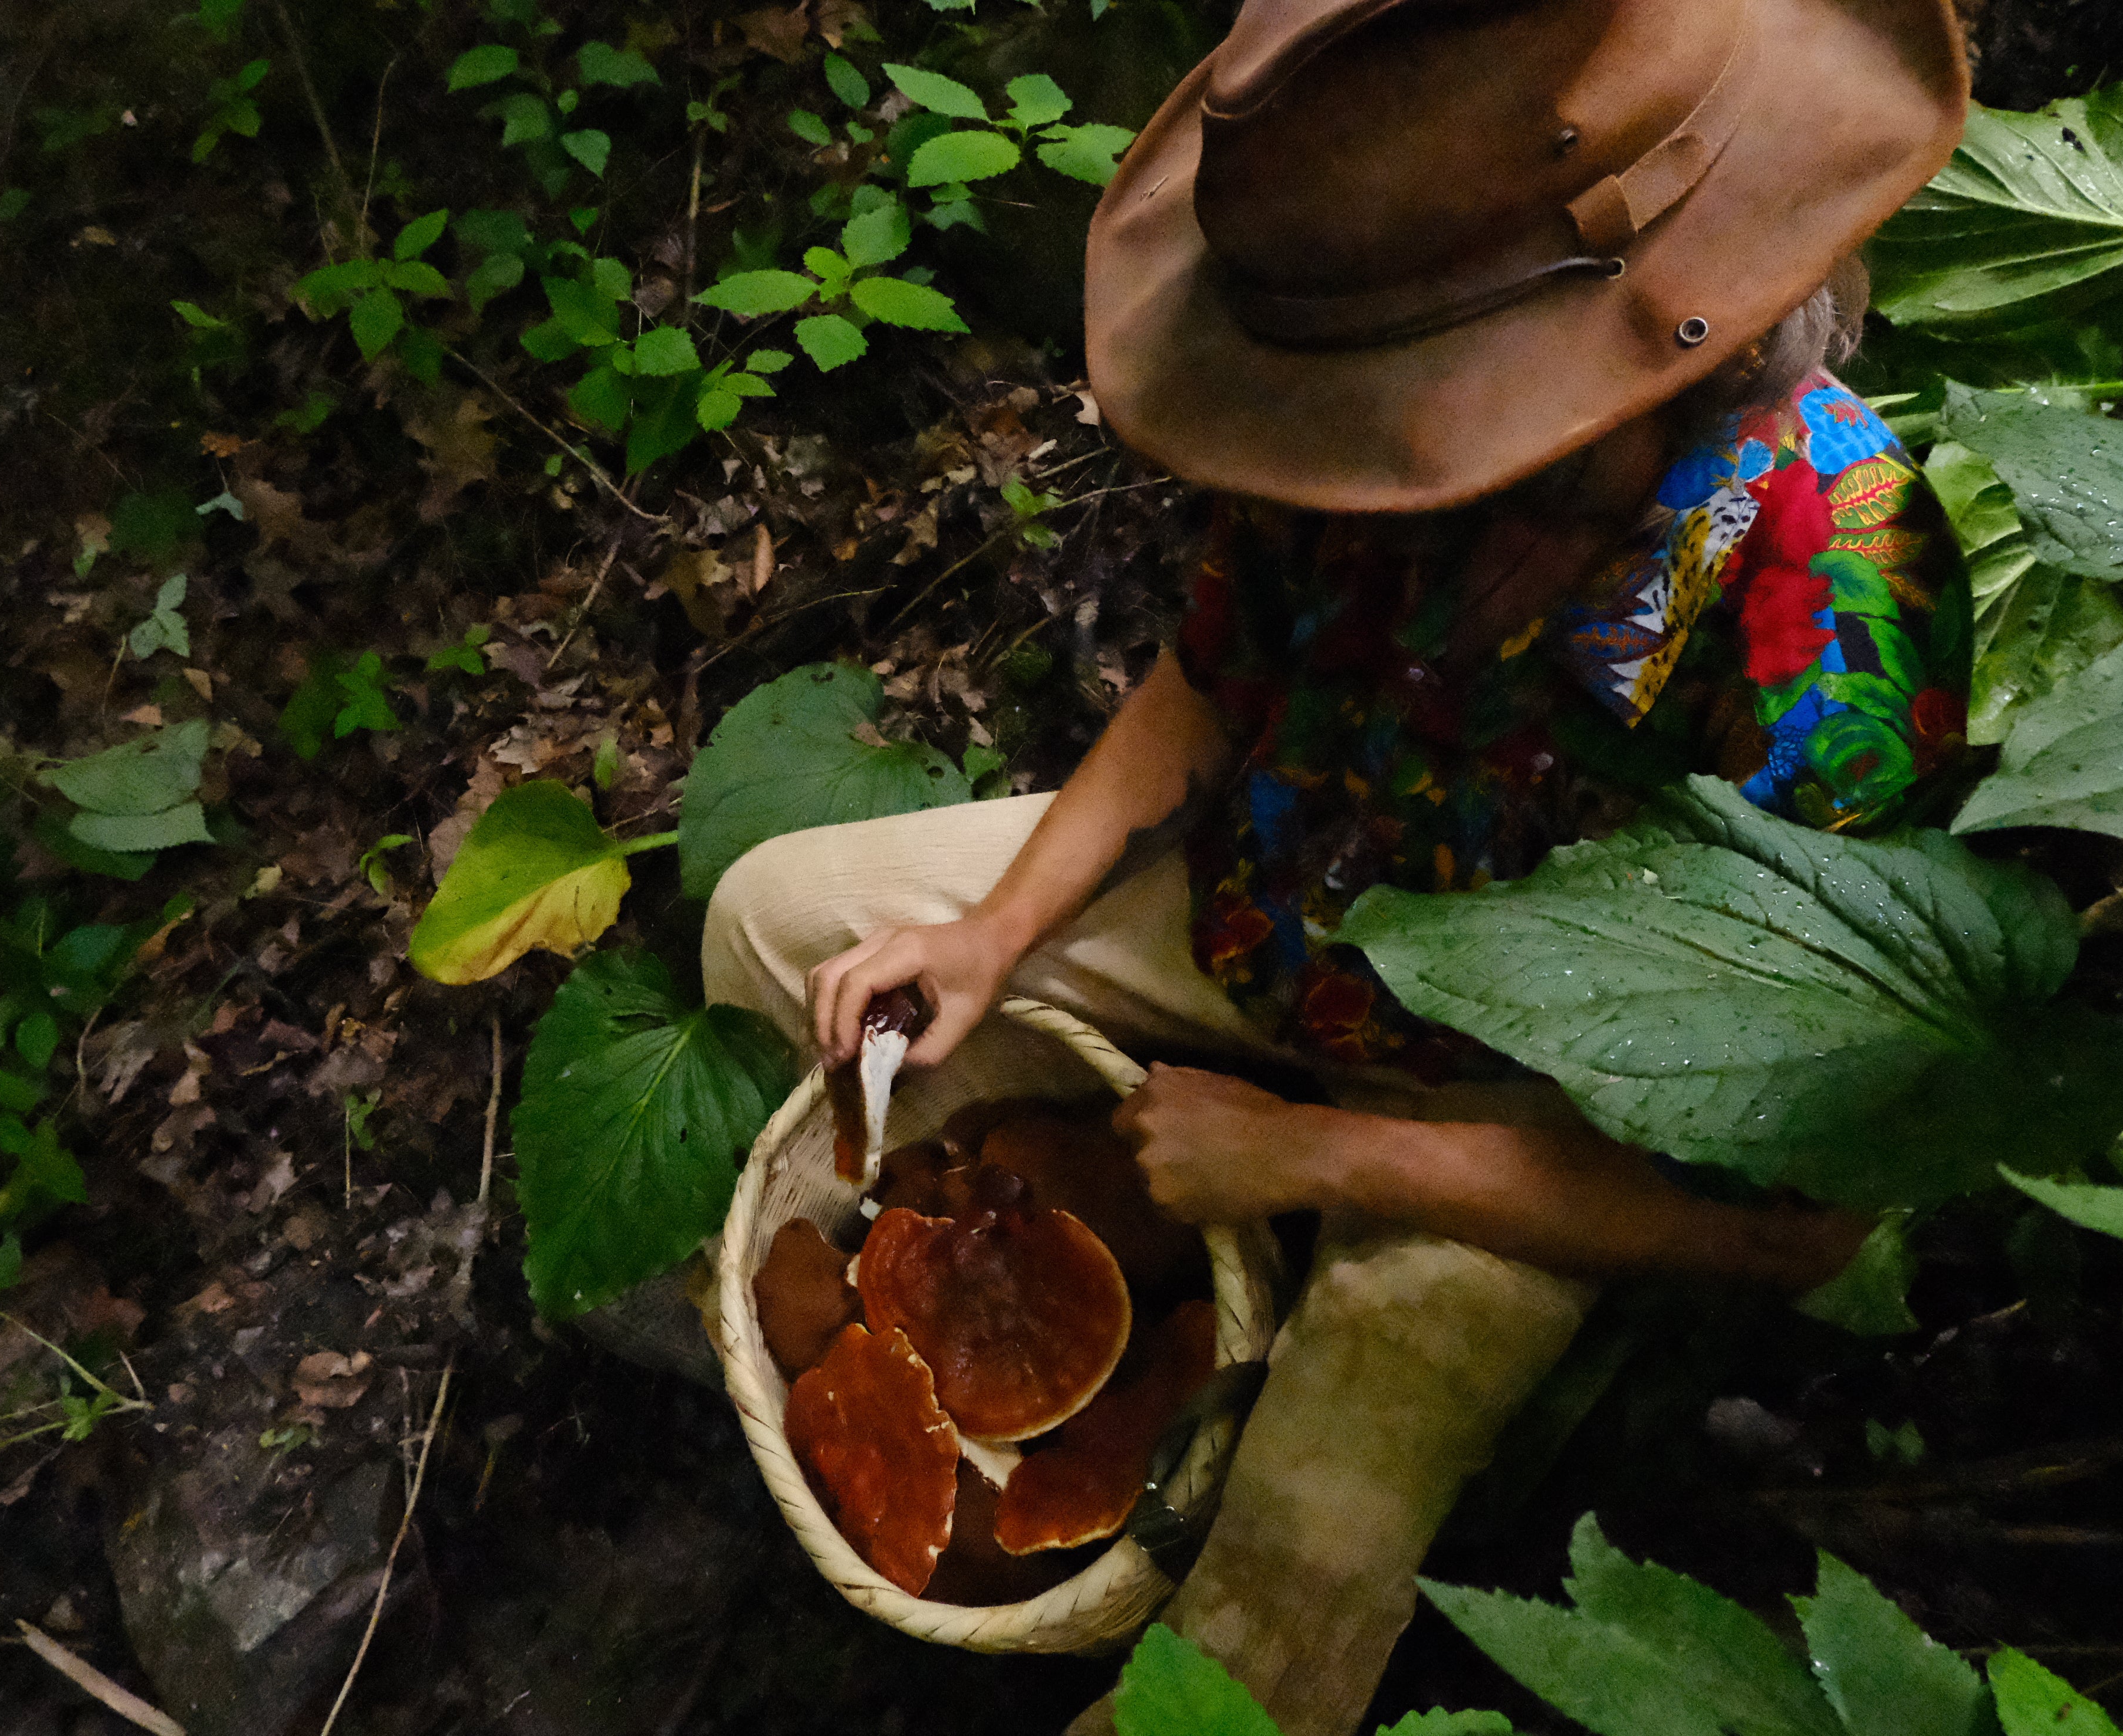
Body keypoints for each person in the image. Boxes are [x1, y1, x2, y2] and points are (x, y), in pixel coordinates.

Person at [703, 1, 1972, 1730]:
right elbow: (1215, 674)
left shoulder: (1835, 614)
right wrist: (1000, 930)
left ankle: (1299, 1361)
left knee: (1284, 1590)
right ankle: (1059, 1285)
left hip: (1521, 1123)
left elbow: (1793, 1226)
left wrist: (1320, 1158)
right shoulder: (1352, 383)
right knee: (776, 922)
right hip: (1261, 909)